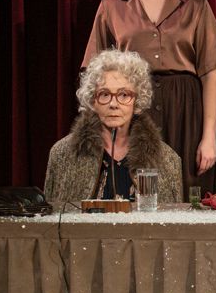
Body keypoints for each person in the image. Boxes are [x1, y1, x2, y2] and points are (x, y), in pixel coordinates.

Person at [82, 0, 216, 196]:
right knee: (137, 190)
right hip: (133, 107)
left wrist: (209, 135)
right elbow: (95, 77)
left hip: (185, 108)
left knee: (187, 189)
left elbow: (211, 74)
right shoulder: (112, 5)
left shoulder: (195, 4)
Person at [45, 51, 182, 205]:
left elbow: (174, 219)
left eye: (124, 95)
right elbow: (49, 216)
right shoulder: (62, 154)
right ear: (92, 100)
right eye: (104, 94)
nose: (113, 104)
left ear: (137, 100)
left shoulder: (168, 159)